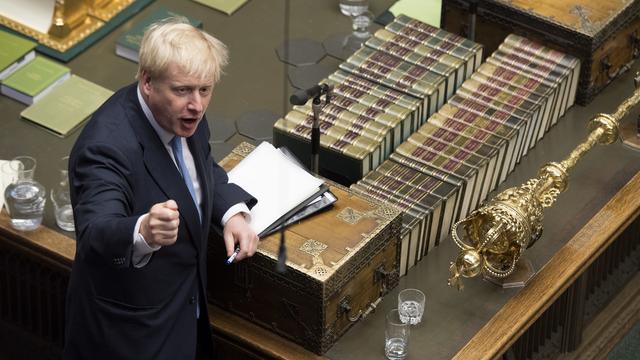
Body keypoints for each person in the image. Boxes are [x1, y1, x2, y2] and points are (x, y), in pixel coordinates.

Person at [62, 17, 259, 360]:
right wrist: (143, 231)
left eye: (205, 89)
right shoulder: (105, 146)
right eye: (182, 90)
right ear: (148, 81)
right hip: (132, 338)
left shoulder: (185, 113)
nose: (197, 104)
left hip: (186, 315)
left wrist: (232, 213)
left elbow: (200, 171)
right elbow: (95, 233)